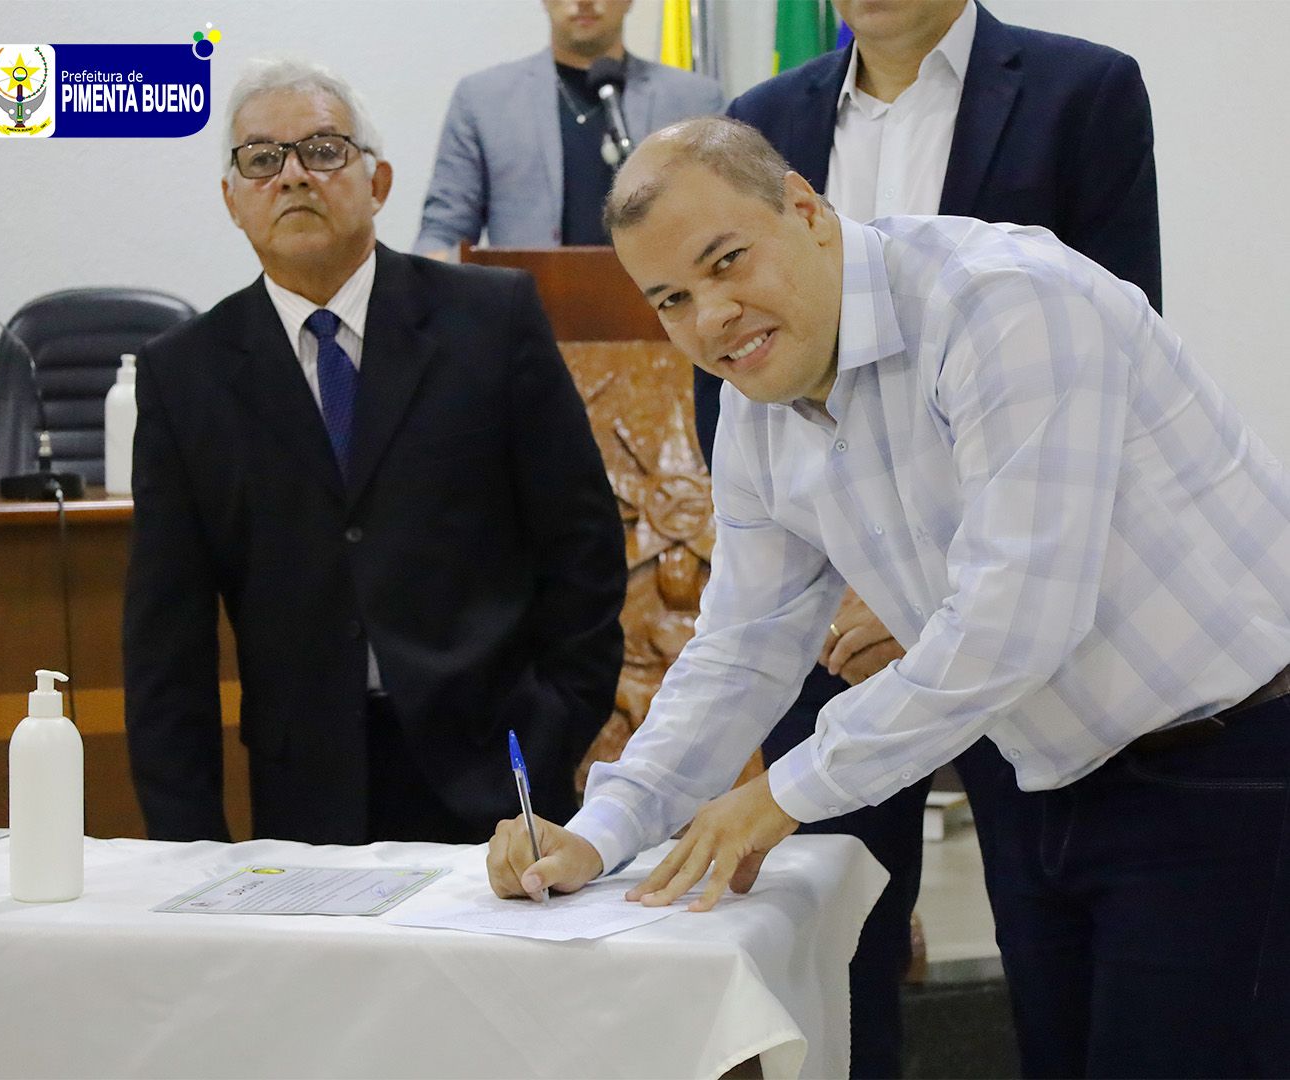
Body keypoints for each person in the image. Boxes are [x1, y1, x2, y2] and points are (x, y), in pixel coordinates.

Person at [488, 118, 1290, 1079]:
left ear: (805, 209)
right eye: (672, 300)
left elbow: (1013, 623)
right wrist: (600, 831)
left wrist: (781, 794)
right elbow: (741, 646)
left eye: (727, 261)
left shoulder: (1004, 303)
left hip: (1230, 762)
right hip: (1044, 780)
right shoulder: (755, 403)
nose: (713, 318)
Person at [691, 3, 1163, 1072]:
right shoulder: (763, 116)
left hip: (1021, 613)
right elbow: (733, 382)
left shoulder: (1078, 91)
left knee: (1050, 955)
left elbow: (1105, 355)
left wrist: (932, 594)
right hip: (828, 615)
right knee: (837, 951)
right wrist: (842, 574)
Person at [123, 58, 626, 848]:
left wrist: (551, 728)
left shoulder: (491, 322)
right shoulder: (185, 374)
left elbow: (584, 546)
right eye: (262, 159)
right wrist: (188, 845)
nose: (293, 176)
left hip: (497, 774)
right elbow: (166, 640)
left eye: (323, 150)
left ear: (378, 181)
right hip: (307, 794)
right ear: (232, 200)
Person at [413, 0, 723, 258]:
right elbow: (443, 231)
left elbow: (719, 222)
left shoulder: (693, 100)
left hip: (654, 308)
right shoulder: (484, 100)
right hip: (524, 307)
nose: (584, 2)